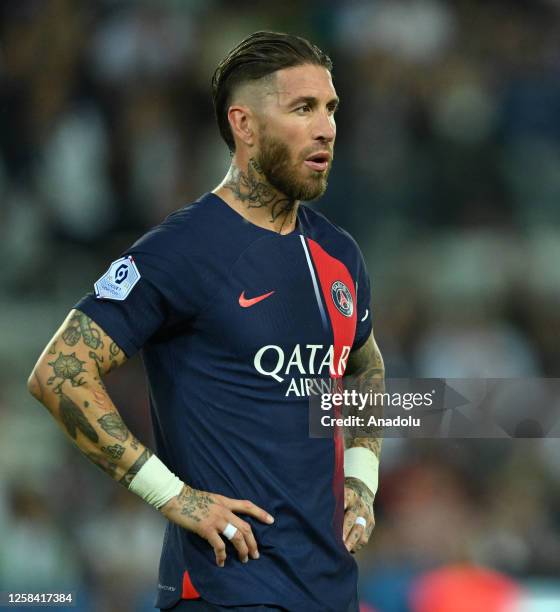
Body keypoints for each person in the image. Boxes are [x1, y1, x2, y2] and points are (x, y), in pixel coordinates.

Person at [27, 31, 384, 612]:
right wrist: (175, 498)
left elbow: (365, 362)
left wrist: (362, 479)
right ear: (243, 124)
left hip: (332, 589)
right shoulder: (183, 250)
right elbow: (58, 374)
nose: (326, 128)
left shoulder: (339, 253)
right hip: (225, 589)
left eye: (330, 108)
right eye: (302, 109)